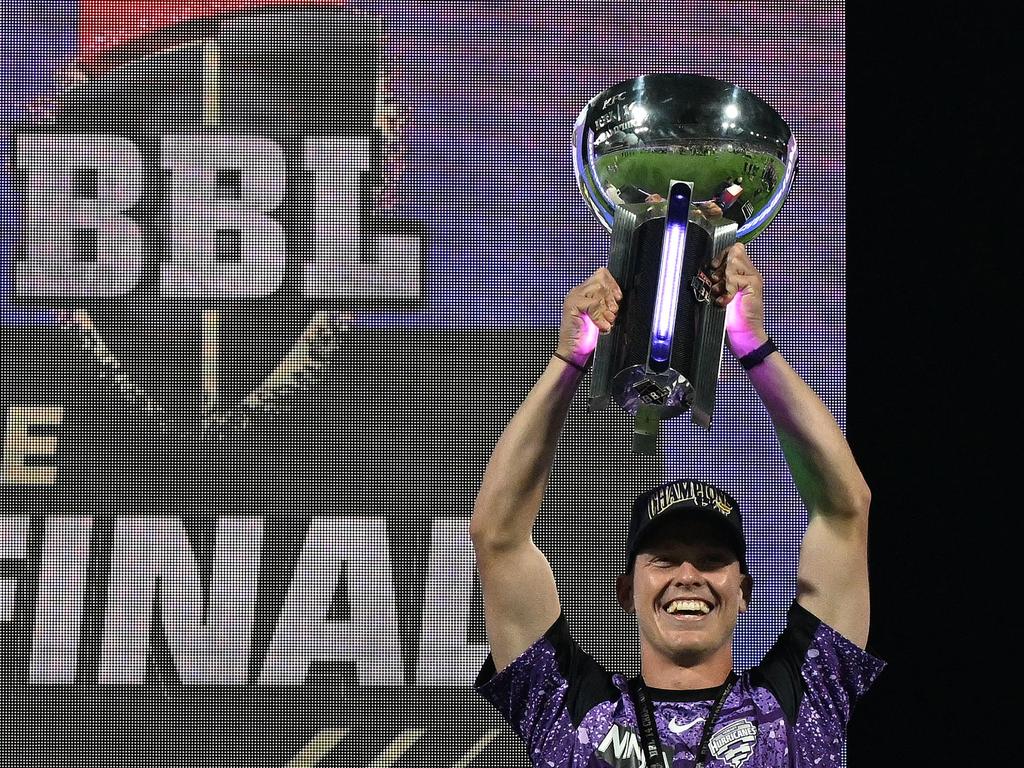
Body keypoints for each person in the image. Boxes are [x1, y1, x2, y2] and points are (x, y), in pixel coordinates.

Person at [469, 243, 884, 767]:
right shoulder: (570, 712)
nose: (688, 575)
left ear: (744, 592)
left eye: (712, 560)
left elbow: (845, 511)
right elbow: (498, 535)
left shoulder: (799, 709)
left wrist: (753, 345)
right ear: (627, 591)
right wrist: (569, 359)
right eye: (664, 559)